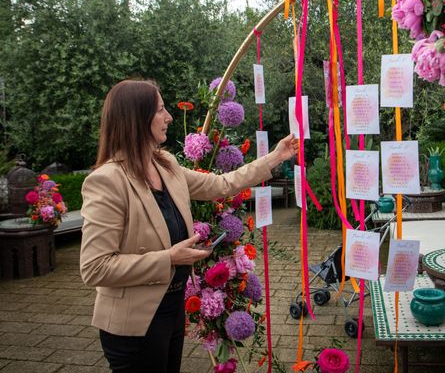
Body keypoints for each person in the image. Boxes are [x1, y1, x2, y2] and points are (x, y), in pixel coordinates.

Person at [79, 79, 298, 373]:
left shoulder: (166, 165)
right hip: (133, 324)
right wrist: (168, 258)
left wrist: (275, 156)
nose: (169, 116)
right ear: (137, 118)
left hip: (172, 311)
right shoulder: (107, 181)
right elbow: (95, 268)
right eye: (160, 110)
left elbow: (221, 185)